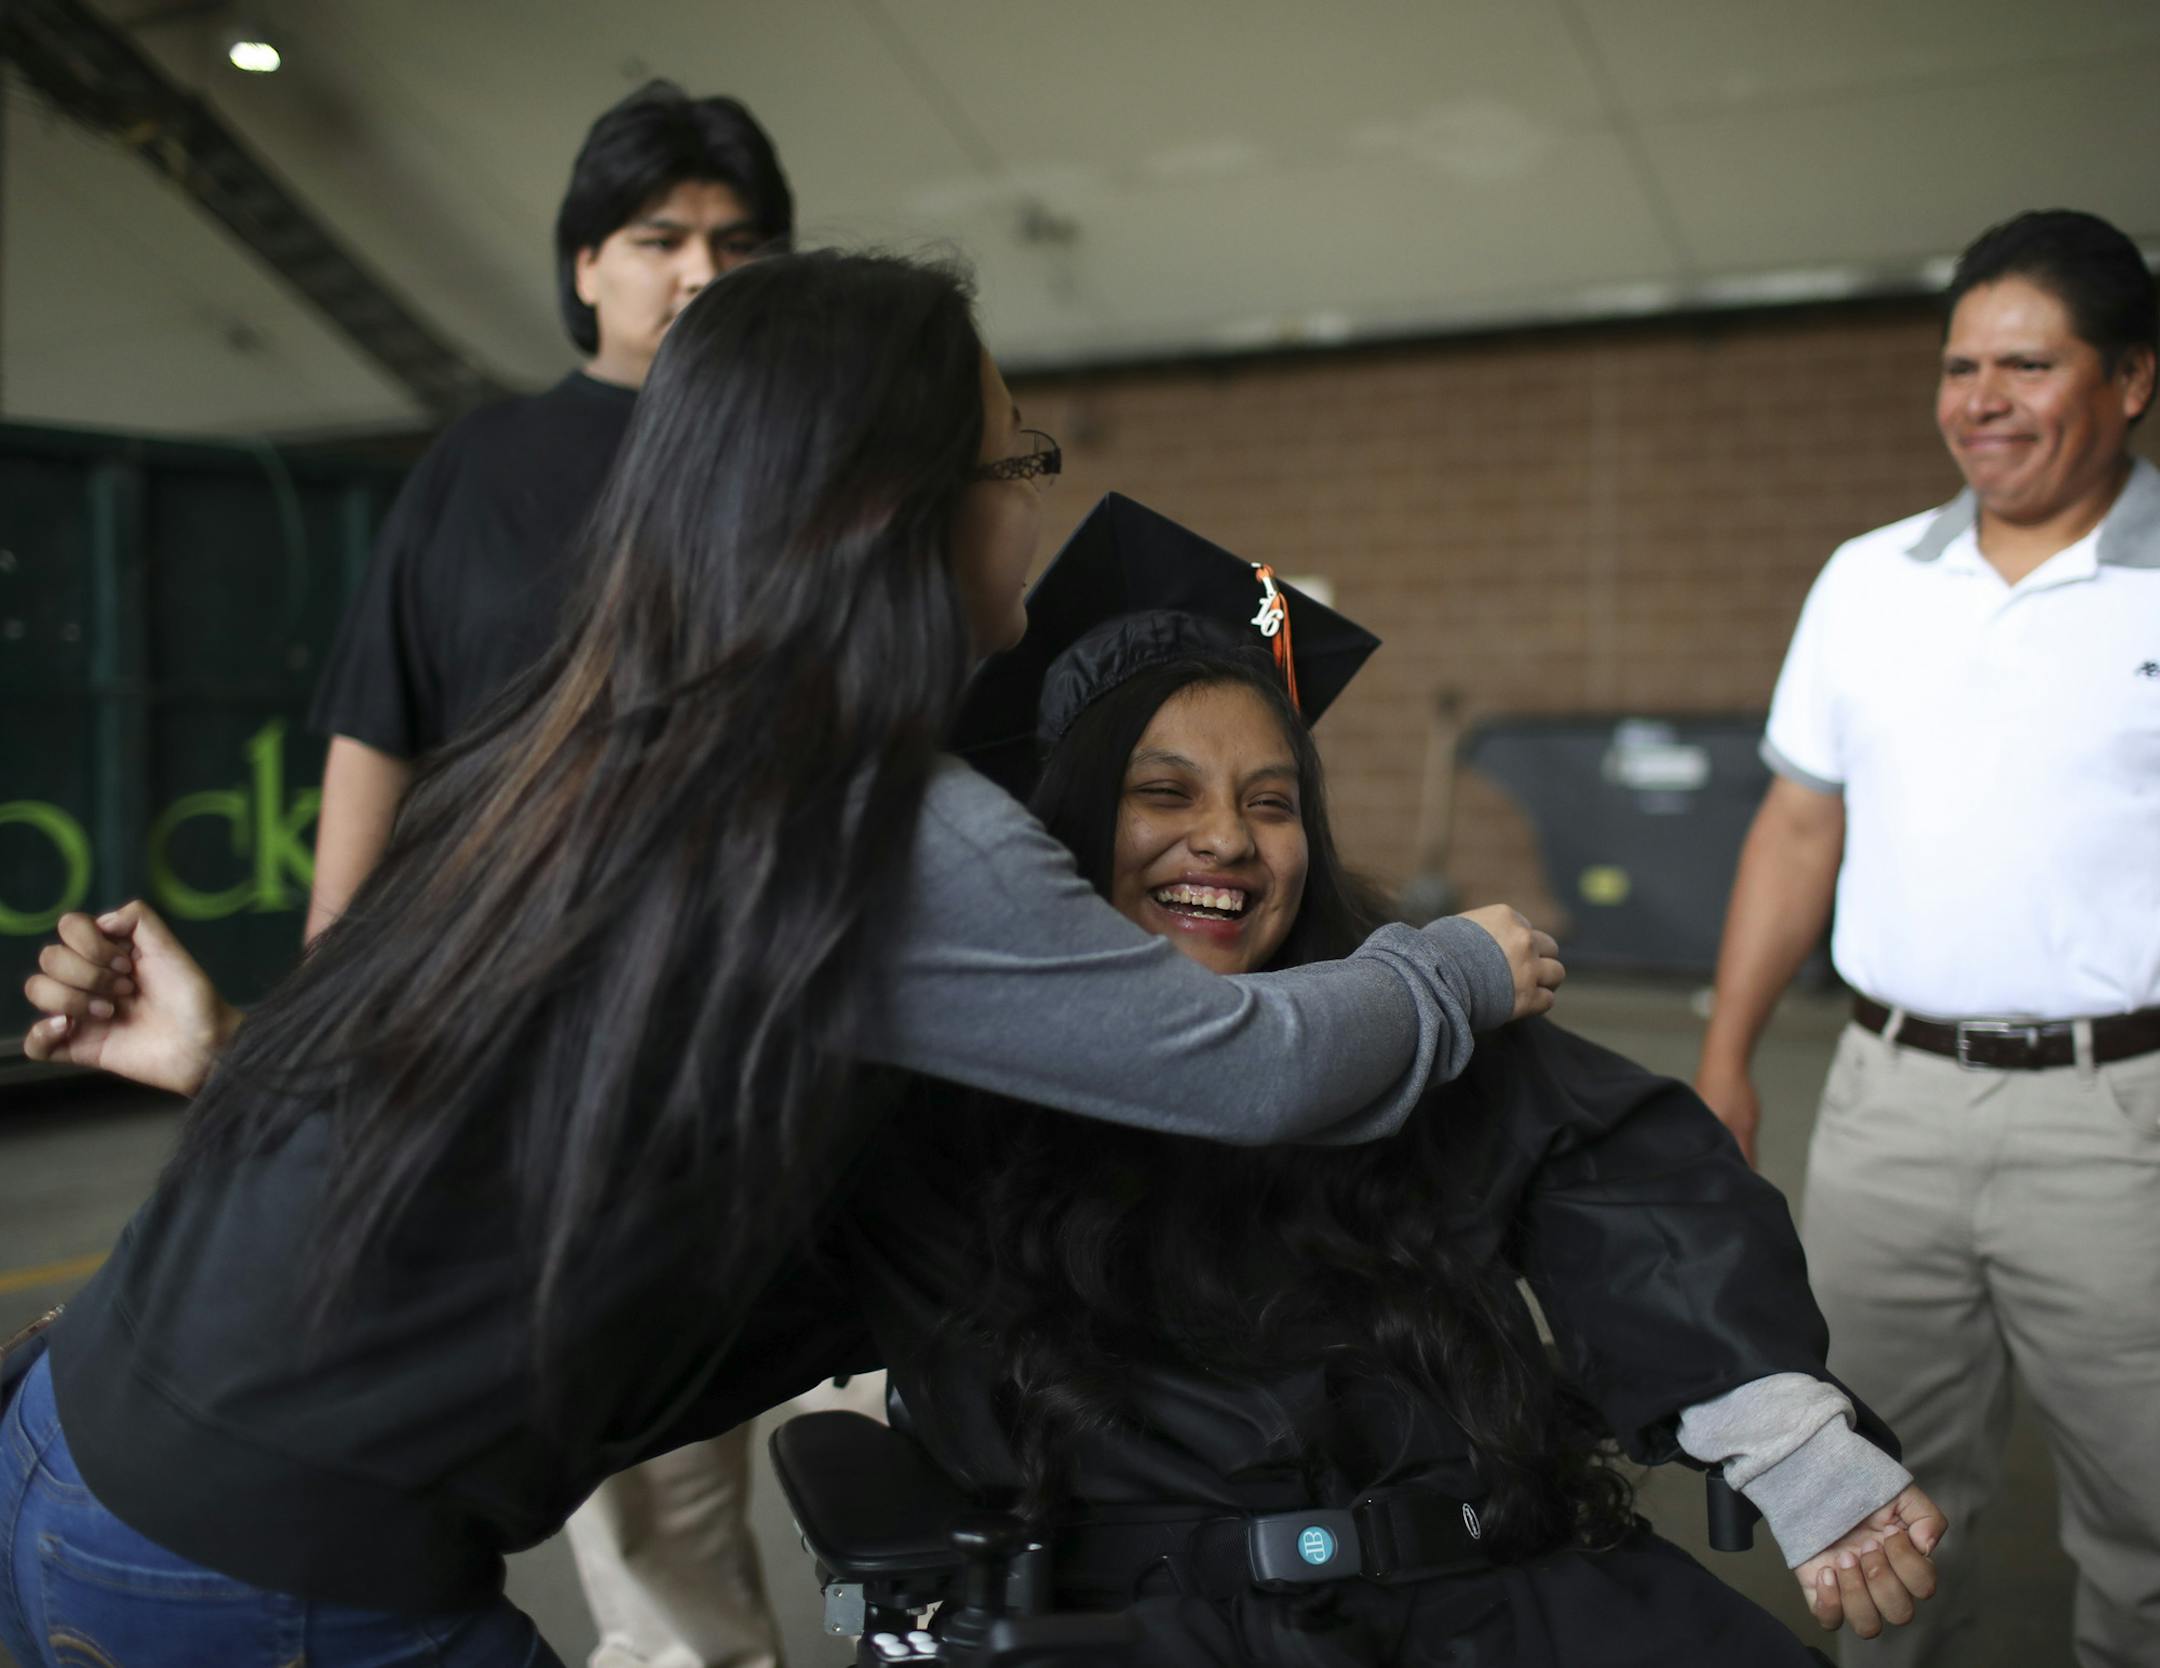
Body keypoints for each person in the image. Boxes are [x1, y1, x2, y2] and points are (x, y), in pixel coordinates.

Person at [2, 250, 1562, 1668]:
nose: (1033, 500)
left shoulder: (598, 723)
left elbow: (506, 1083)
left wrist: (229, 1058)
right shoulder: (880, 820)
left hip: (82, 1426)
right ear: (900, 507)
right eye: (1016, 460)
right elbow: (1260, 1066)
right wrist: (1461, 966)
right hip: (263, 1563)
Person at [709, 581, 1946, 1664]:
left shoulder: (1402, 1021)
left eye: (1272, 800)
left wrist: (1779, 1429)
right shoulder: (957, 1074)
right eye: (1162, 793)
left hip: (1477, 1592)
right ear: (1068, 830)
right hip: (1136, 1624)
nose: (1228, 842)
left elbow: (1621, 1177)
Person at [305, 79, 800, 1668]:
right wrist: (330, 1006)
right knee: (652, 1517)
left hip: (780, 1040)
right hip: (538, 1062)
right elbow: (376, 733)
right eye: (661, 239)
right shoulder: (484, 467)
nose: (701, 271)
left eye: (739, 242)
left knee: (899, 1461)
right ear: (588, 263)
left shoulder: (806, 466)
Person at [1693, 209, 2160, 1668]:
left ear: (2133, 378)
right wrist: (1725, 1060)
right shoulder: (1868, 578)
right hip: (1887, 1109)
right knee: (1875, 1499)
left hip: (2118, 1119)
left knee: (2145, 1524)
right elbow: (1796, 832)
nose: (1982, 401)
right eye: (1962, 365)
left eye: (2027, 365)